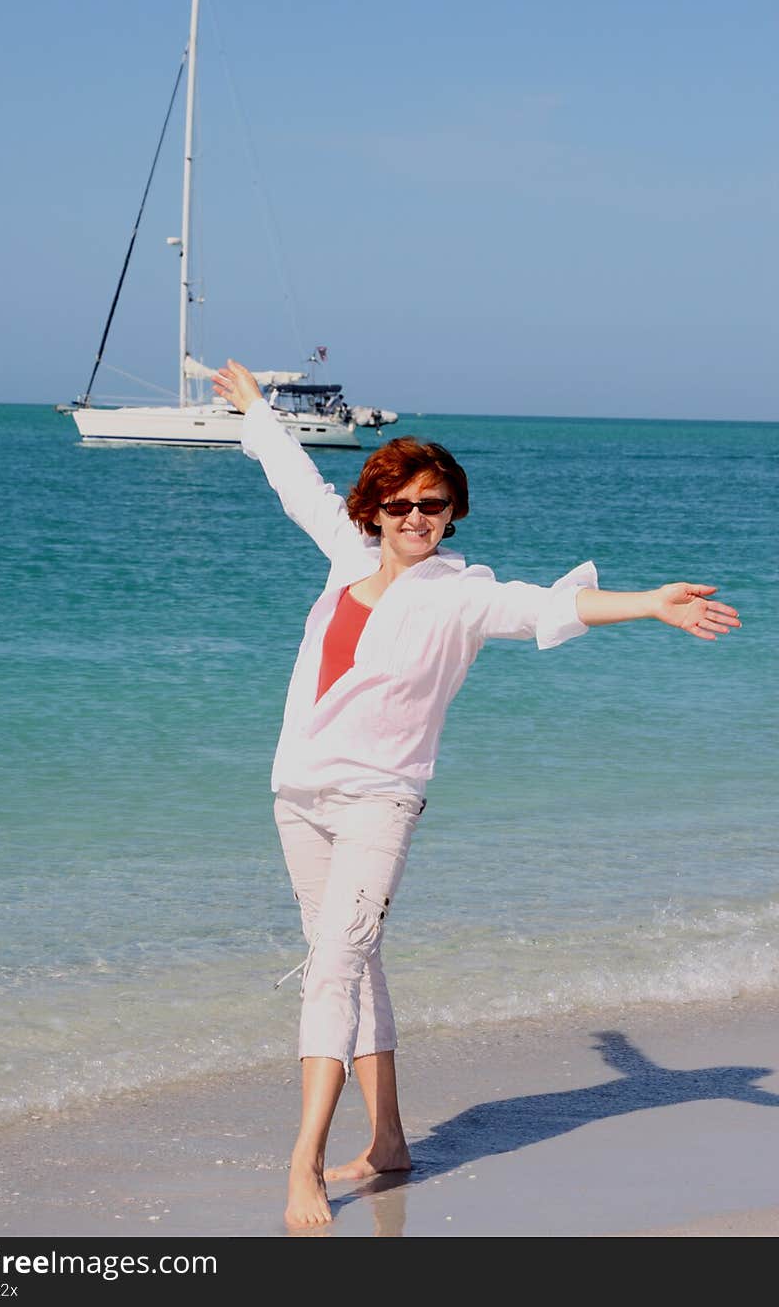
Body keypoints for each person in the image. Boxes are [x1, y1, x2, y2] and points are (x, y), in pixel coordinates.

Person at [212, 359, 741, 1230]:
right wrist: (257, 415)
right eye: (402, 504)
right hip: (298, 794)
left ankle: (303, 1163)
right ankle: (386, 1142)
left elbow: (547, 610)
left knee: (335, 967)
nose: (418, 518)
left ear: (453, 512)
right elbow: (295, 482)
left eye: (434, 504)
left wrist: (651, 602)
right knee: (353, 961)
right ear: (374, 512)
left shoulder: (465, 597)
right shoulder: (345, 560)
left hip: (380, 801)